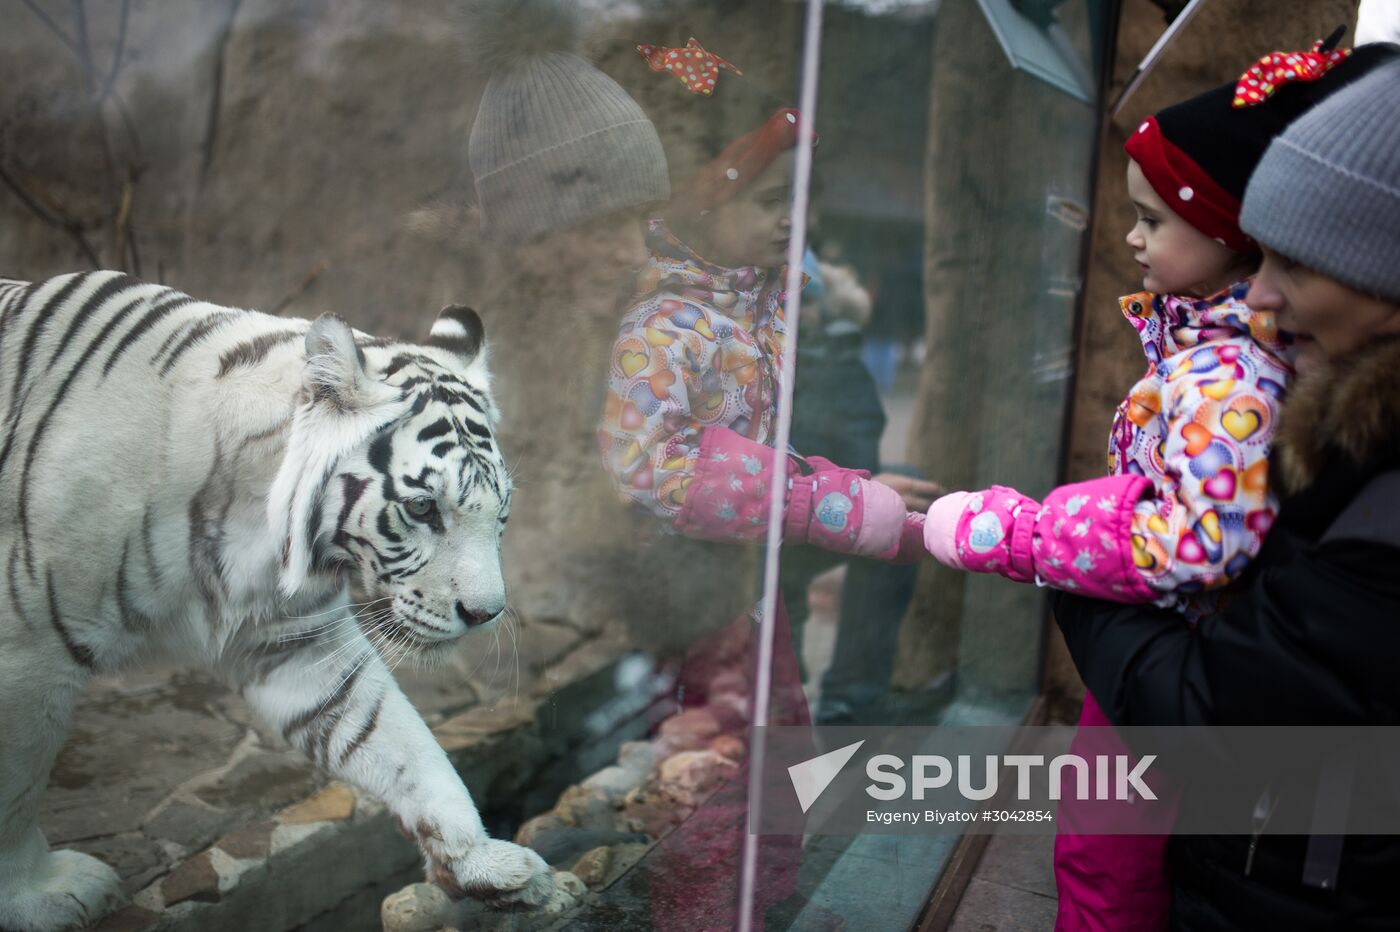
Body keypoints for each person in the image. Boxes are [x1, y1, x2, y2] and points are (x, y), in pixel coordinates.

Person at [920, 39, 1397, 932]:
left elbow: (1200, 550)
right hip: (1257, 806)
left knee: (1107, 853)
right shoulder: (1284, 380)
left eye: (1287, 263)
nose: (1266, 298)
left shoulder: (1235, 383)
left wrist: (1035, 537)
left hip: (1252, 792)